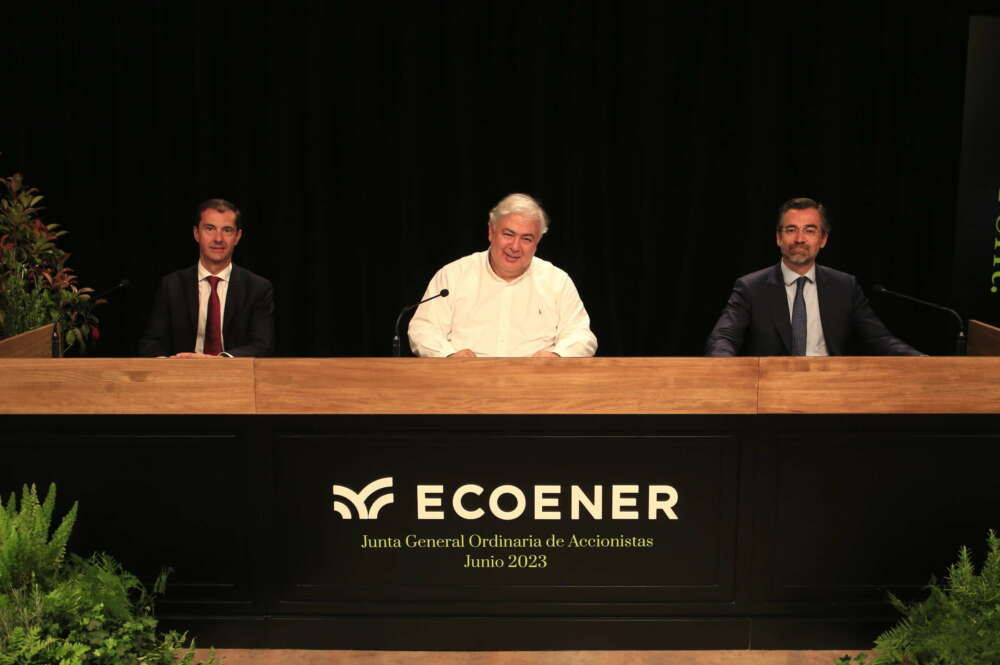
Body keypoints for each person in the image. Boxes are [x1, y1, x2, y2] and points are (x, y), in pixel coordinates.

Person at [705, 197, 921, 357]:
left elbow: (879, 339)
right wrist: (724, 368)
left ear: (823, 239)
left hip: (830, 392)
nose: (799, 239)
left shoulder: (844, 286)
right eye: (791, 230)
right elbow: (723, 338)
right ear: (779, 238)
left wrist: (922, 362)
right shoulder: (751, 287)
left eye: (809, 231)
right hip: (772, 393)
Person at [408, 193, 597, 358]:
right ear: (491, 232)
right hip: (464, 385)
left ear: (537, 242)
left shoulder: (557, 281)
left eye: (526, 238)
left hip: (535, 387)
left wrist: (556, 355)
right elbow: (423, 329)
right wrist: (448, 355)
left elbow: (581, 335)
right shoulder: (453, 275)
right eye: (508, 234)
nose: (515, 247)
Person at [138, 199, 275, 358]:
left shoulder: (257, 288)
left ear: (237, 237)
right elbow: (151, 343)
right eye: (210, 228)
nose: (218, 238)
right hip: (181, 376)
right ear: (197, 233)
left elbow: (263, 345)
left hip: (235, 377)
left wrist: (219, 361)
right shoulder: (172, 285)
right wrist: (170, 363)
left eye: (227, 230)